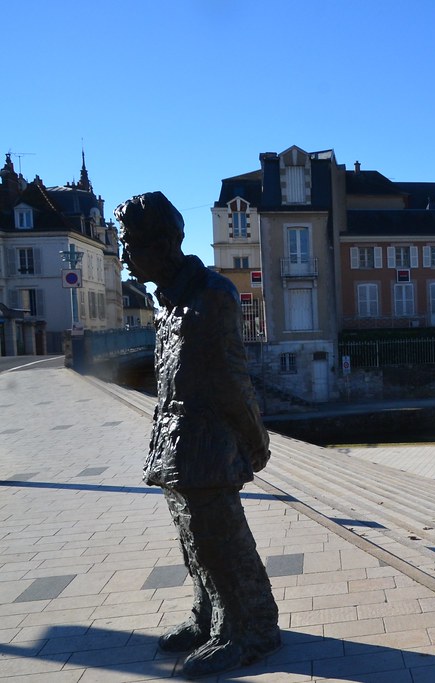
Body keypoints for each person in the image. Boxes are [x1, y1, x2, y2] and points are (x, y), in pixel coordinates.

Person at [115, 192, 280, 678]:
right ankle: (208, 617)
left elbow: (231, 377)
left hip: (207, 445)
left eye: (131, 244)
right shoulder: (167, 299)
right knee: (193, 540)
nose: (124, 255)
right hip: (177, 444)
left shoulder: (211, 295)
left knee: (221, 542)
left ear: (163, 243)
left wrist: (256, 439)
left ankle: (249, 632)